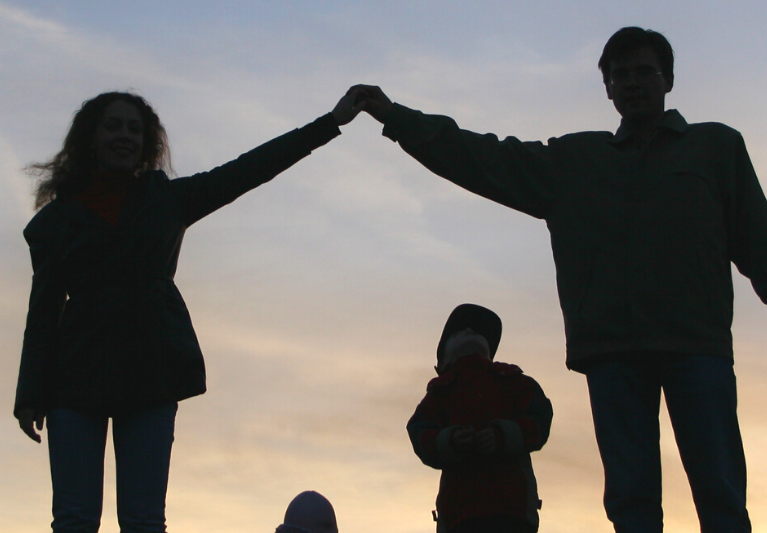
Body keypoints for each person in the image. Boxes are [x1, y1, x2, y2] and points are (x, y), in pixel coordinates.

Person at [355, 26, 763, 533]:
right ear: (608, 90)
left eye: (643, 72)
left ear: (668, 80)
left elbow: (758, 241)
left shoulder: (714, 148)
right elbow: (482, 158)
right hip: (614, 353)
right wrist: (396, 119)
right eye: (620, 76)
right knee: (632, 500)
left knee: (720, 489)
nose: (632, 83)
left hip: (696, 346)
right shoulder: (575, 163)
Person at [14, 88, 365, 533]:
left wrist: (329, 123)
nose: (125, 136)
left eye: (134, 129)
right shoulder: (56, 222)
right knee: (74, 519)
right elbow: (42, 314)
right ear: (91, 138)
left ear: (146, 142)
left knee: (143, 521)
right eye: (113, 126)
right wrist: (30, 394)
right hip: (75, 375)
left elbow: (248, 170)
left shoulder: (167, 200)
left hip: (151, 372)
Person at [407, 304, 553, 533]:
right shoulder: (441, 392)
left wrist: (503, 435)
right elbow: (419, 431)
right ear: (442, 363)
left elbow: (540, 419)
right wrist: (450, 441)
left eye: (476, 332)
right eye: (458, 333)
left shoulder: (513, 381)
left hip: (512, 512)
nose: (469, 331)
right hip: (461, 515)